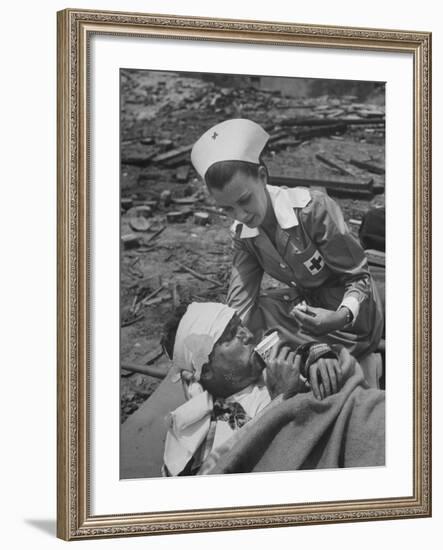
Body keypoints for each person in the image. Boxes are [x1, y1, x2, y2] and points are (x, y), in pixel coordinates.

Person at [190, 119, 384, 361]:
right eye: (227, 209)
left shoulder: (313, 210)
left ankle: (311, 350)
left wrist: (339, 316)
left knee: (276, 344)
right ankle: (303, 350)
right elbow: (241, 301)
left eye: (245, 200)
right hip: (307, 311)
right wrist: (221, 343)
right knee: (254, 314)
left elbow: (358, 277)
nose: (240, 215)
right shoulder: (243, 235)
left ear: (262, 176)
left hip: (350, 316)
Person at [162, 302, 367, 476]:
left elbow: (347, 380)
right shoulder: (200, 439)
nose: (249, 335)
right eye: (233, 335)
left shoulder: (275, 366)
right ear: (206, 370)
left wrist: (320, 356)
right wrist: (282, 402)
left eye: (241, 326)